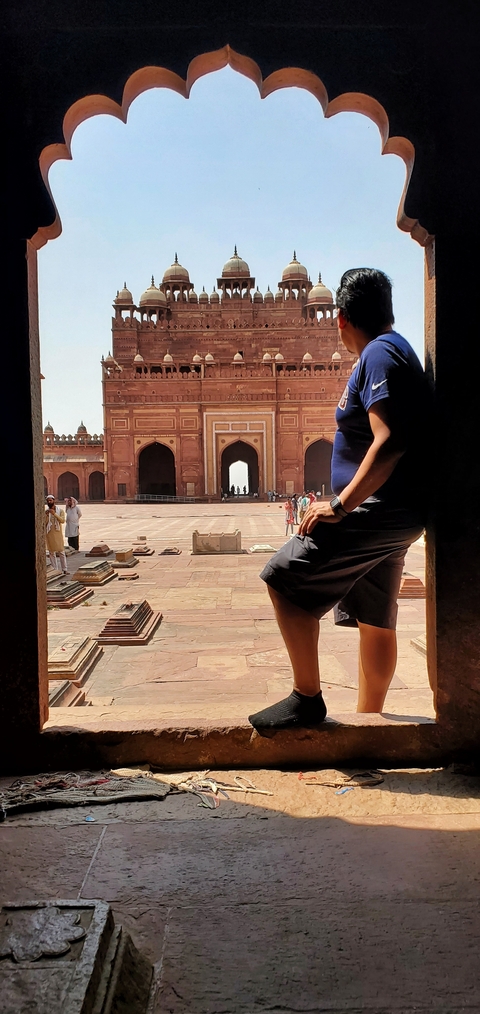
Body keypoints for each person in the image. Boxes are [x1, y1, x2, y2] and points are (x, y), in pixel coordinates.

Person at [249, 267, 429, 731]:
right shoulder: (396, 350)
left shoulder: (378, 354)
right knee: (376, 619)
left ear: (340, 319)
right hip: (397, 510)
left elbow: (389, 440)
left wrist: (341, 505)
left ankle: (306, 698)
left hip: (377, 508)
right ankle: (372, 726)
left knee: (283, 578)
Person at [45, 494, 68, 574]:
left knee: (61, 551)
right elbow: (44, 523)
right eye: (48, 501)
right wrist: (47, 515)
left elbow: (62, 520)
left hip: (58, 533)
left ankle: (64, 569)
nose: (49, 502)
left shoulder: (60, 511)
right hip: (49, 534)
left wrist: (54, 513)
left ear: (54, 501)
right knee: (51, 552)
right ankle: (55, 569)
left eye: (50, 500)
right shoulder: (46, 512)